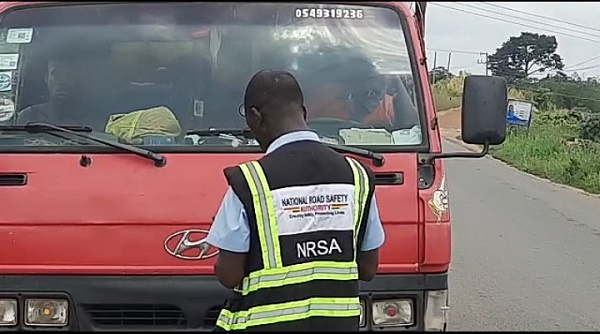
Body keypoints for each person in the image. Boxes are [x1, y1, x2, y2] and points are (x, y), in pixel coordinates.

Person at [206, 69, 385, 331]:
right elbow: (368, 269)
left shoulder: (249, 182)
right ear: (304, 112)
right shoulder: (357, 177)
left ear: (256, 118)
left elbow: (229, 275)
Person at [16, 53, 108, 130]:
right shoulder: (29, 116)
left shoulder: (95, 120)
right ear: (46, 79)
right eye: (56, 74)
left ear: (78, 80)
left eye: (69, 75)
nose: (63, 81)